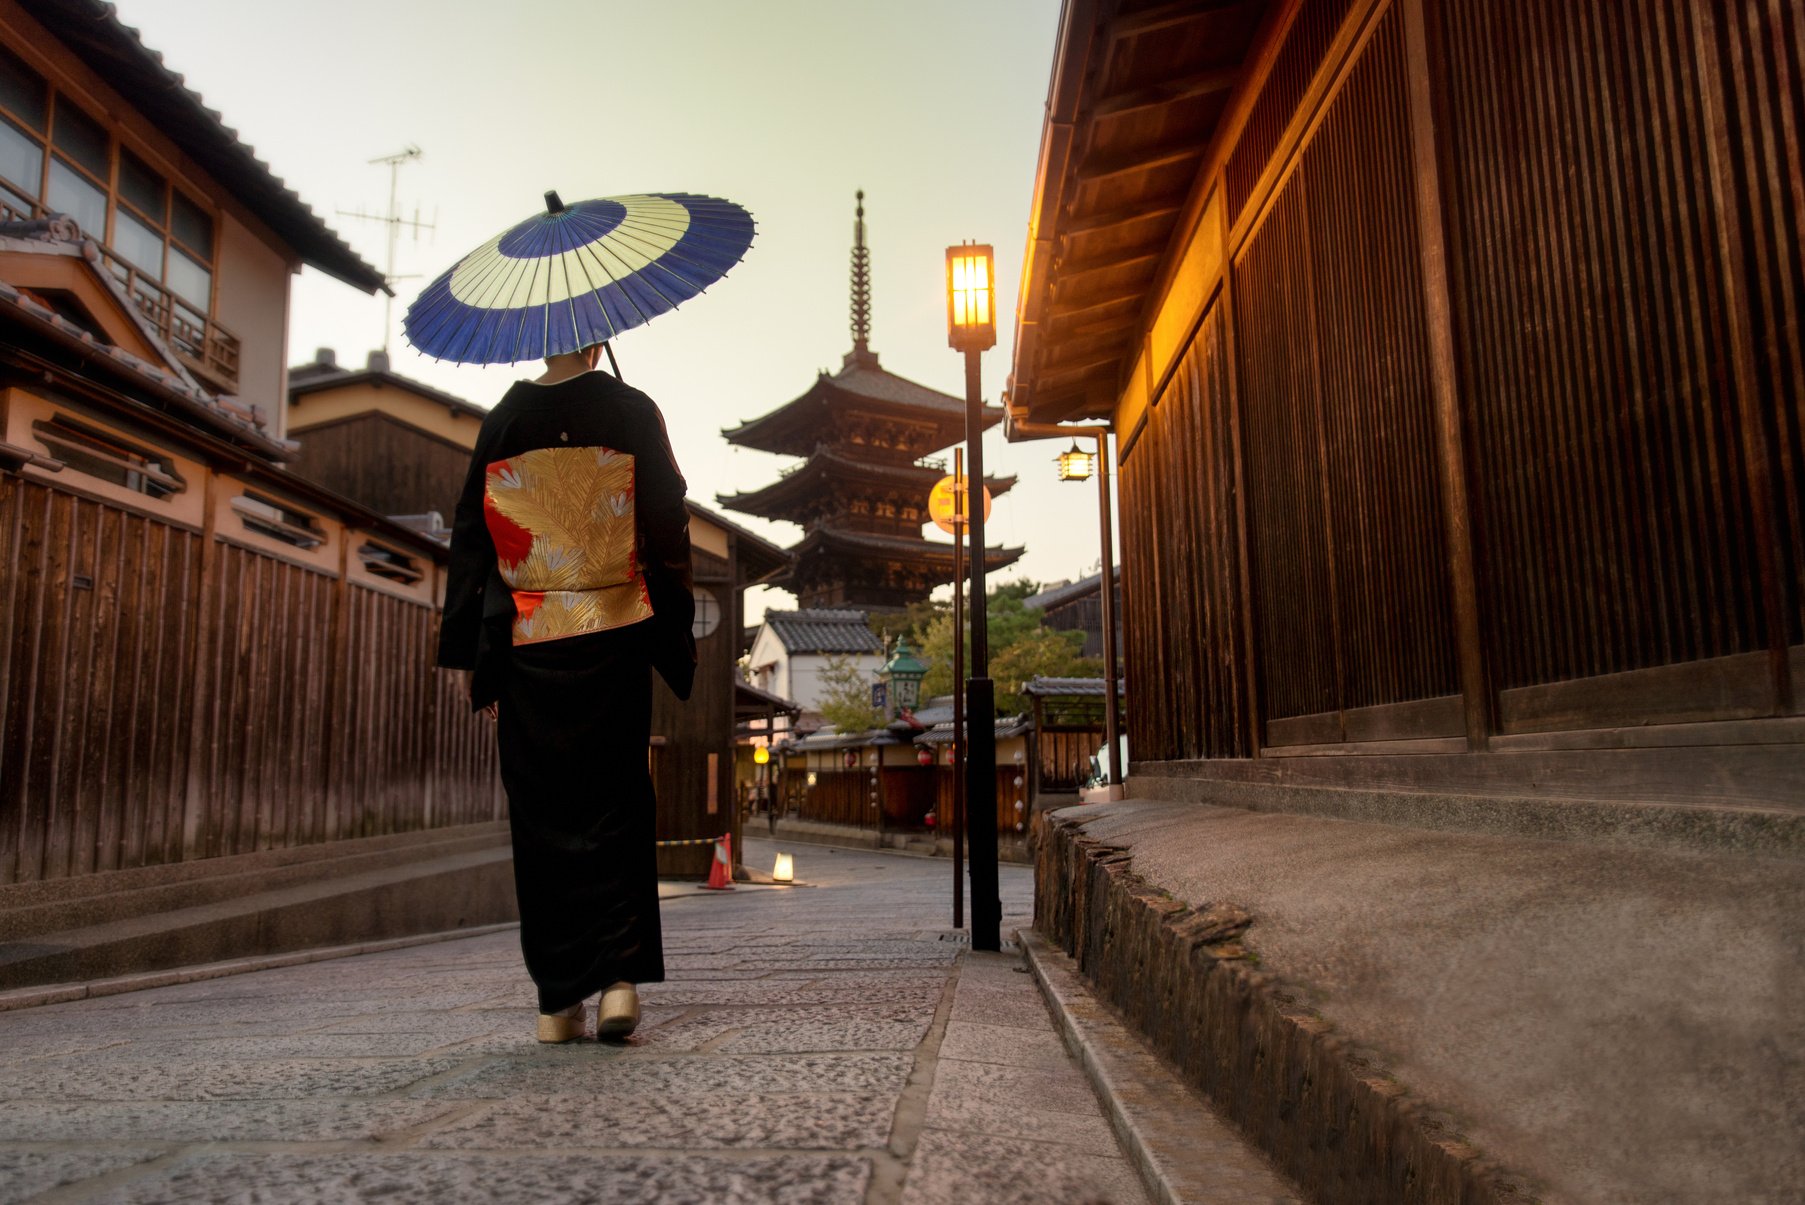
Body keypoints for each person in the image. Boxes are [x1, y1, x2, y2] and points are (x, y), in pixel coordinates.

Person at [436, 340, 695, 1043]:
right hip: (612, 634)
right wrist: (669, 628)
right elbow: (668, 520)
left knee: (542, 813)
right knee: (614, 801)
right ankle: (617, 982)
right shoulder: (632, 409)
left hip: (528, 642)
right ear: (595, 336)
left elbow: (474, 538)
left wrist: (478, 658)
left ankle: (556, 999)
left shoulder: (503, 422)